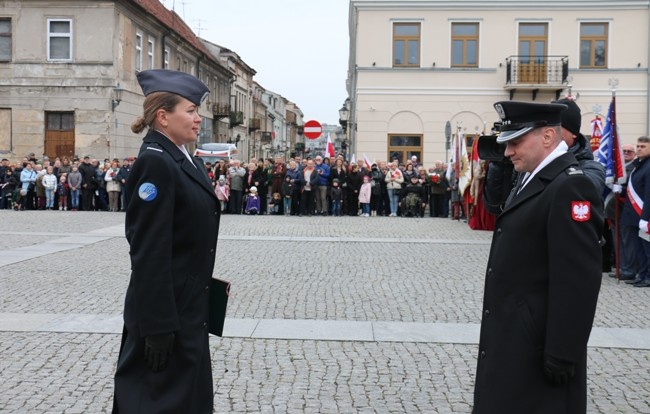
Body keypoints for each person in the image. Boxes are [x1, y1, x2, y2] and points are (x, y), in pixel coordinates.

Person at [473, 101, 604, 413]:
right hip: (516, 342)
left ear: (547, 137)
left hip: (538, 351)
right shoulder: (532, 176)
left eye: (516, 142)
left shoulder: (571, 185)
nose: (507, 152)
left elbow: (577, 281)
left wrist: (562, 354)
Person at [113, 69, 220, 413]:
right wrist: (157, 327)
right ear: (163, 116)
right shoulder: (155, 164)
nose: (197, 118)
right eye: (190, 110)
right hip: (166, 313)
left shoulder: (183, 158)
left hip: (187, 306)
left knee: (186, 399)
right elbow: (149, 251)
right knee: (154, 401)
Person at [621, 136, 650, 287]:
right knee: (638, 248)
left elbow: (648, 194)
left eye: (643, 146)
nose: (639, 149)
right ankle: (642, 275)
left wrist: (646, 218)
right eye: (638, 146)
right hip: (634, 216)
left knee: (647, 249)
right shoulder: (639, 165)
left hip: (644, 216)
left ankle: (648, 277)